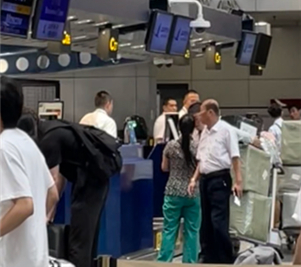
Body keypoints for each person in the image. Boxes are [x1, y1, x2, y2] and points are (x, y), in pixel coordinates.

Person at [18, 110, 109, 267]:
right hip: (94, 177)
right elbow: (59, 178)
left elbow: (52, 187)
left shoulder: (48, 139)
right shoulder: (51, 129)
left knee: (79, 244)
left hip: (91, 180)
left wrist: (42, 218)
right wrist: (48, 215)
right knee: (86, 241)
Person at [0, 77, 58, 267]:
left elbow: (25, 205)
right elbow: (52, 194)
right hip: (35, 258)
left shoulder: (3, 147)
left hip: (13, 261)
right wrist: (33, 230)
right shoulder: (24, 141)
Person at [189, 99, 242, 264]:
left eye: (201, 112)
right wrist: (194, 179)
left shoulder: (226, 130)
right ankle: (208, 256)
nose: (199, 116)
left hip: (220, 179)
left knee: (218, 221)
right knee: (206, 223)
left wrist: (238, 180)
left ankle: (225, 258)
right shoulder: (204, 132)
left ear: (210, 113)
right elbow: (201, 160)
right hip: (205, 179)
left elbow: (235, 156)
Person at [157, 114, 201, 263]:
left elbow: (164, 167)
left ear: (178, 128)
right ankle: (190, 262)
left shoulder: (170, 146)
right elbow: (201, 166)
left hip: (173, 191)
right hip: (192, 193)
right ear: (193, 128)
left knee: (169, 229)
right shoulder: (197, 146)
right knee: (192, 231)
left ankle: (164, 262)